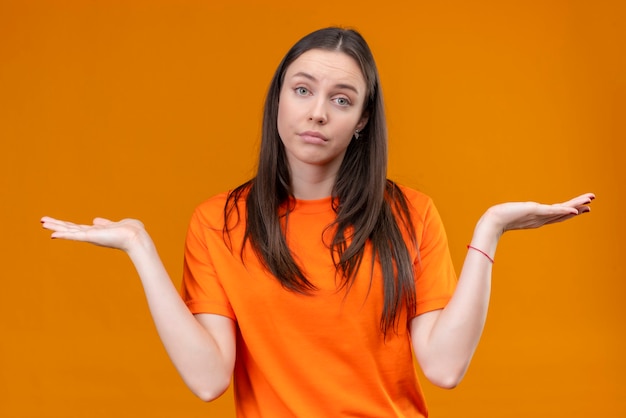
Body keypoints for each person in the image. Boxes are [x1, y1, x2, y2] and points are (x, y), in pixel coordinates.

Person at [41, 27, 594, 417]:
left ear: (360, 122)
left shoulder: (410, 214)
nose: (318, 112)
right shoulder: (218, 222)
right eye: (302, 90)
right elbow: (209, 379)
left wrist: (489, 232)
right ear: (278, 100)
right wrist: (141, 249)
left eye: (342, 99)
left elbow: (445, 368)